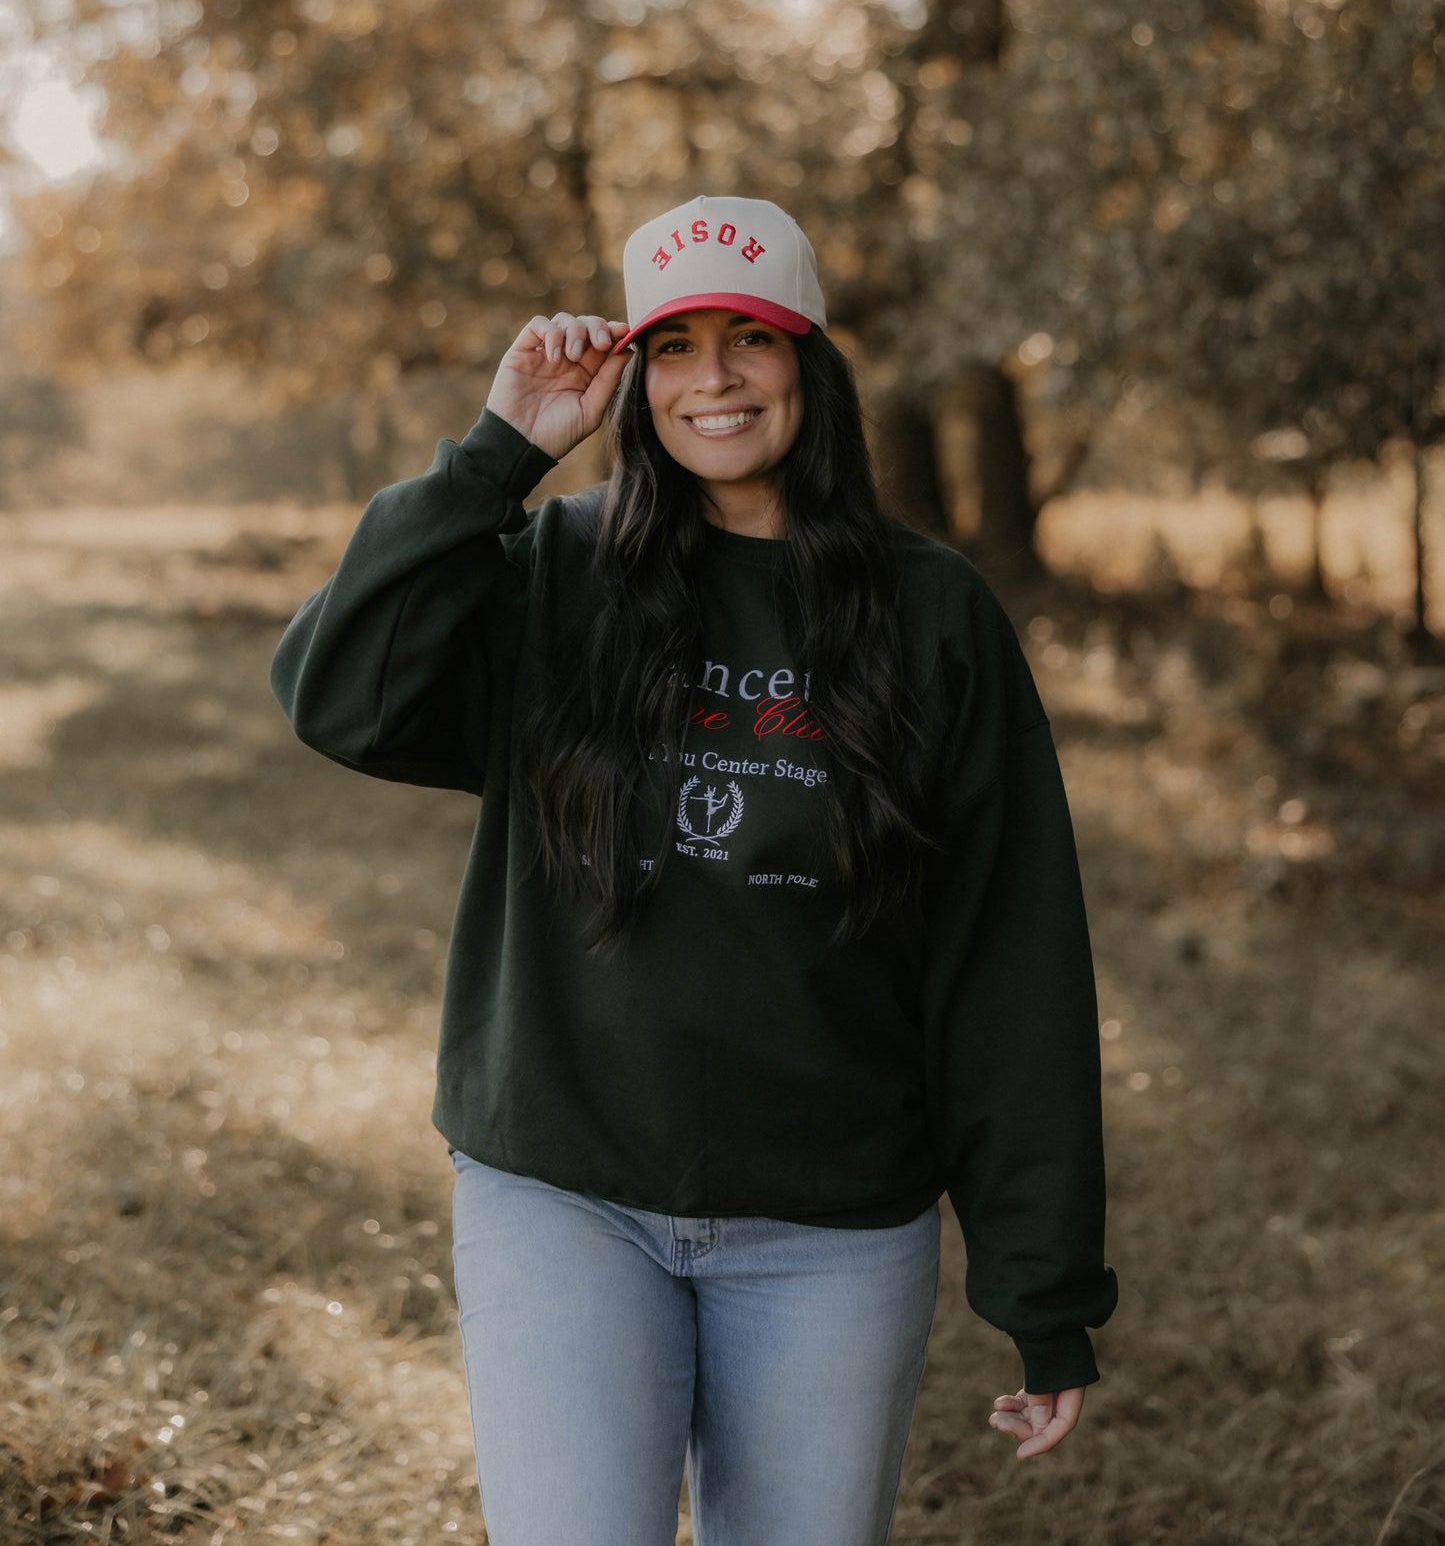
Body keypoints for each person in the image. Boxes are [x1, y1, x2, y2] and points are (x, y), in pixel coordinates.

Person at [270, 192, 1118, 1546]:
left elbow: (1009, 963)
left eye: (750, 340)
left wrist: (1042, 1288)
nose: (711, 378)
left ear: (810, 364)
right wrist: (497, 457)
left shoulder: (933, 615)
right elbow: (342, 696)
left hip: (829, 1225)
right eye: (672, 346)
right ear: (637, 373)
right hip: (563, 1194)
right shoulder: (560, 568)